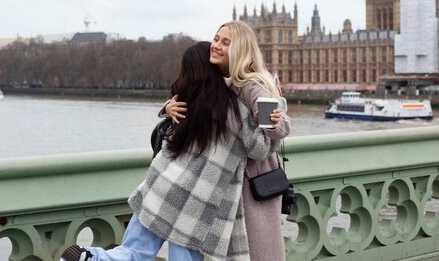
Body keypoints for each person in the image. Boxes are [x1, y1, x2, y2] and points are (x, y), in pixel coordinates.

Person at [59, 41, 279, 261]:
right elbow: (259, 149)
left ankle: (91, 257)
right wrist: (272, 113)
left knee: (134, 252)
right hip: (197, 201)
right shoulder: (233, 109)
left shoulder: (183, 102)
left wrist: (165, 108)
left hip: (160, 186)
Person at [165, 21, 291, 261]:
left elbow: (281, 125)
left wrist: (274, 121)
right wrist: (168, 107)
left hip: (253, 176)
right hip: (225, 177)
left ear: (241, 49)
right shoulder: (215, 78)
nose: (216, 46)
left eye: (226, 42)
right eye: (216, 39)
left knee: (258, 249)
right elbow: (190, 101)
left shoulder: (249, 83)